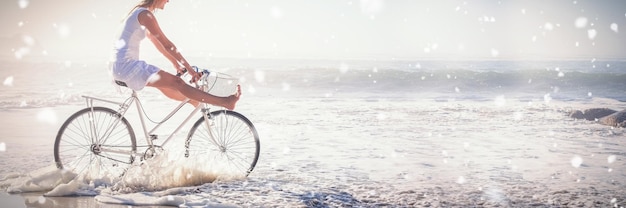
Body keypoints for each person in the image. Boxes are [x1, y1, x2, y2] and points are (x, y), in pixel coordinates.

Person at [110, 0, 240, 110]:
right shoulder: (145, 15)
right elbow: (167, 45)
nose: (168, 1)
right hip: (128, 68)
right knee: (177, 82)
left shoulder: (138, 13)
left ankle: (194, 100)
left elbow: (159, 45)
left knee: (167, 86)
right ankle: (225, 102)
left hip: (119, 68)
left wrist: (176, 64)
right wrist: (190, 70)